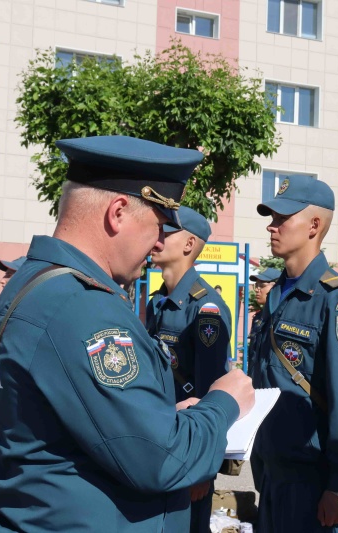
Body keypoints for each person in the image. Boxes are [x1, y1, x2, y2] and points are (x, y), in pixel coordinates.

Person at [0, 135, 255, 532]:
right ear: (118, 212)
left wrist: (159, 418)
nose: (159, 241)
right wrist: (224, 403)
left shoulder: (35, 282)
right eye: (158, 223)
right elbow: (161, 460)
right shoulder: (82, 306)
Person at [249, 175, 338, 532]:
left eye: (283, 218)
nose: (272, 227)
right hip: (272, 470)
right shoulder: (277, 296)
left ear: (314, 225)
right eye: (272, 218)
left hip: (312, 479)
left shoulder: (336, 299)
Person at [146, 205, 232, 533]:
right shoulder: (157, 303)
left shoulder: (205, 308)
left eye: (166, 232)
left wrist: (204, 470)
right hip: (157, 439)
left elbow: (212, 394)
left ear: (188, 244)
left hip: (188, 452)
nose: (156, 238)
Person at [246, 266, 281, 375]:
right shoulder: (258, 318)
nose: (257, 289)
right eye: (256, 285)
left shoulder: (281, 317)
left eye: (262, 285)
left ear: (276, 287)